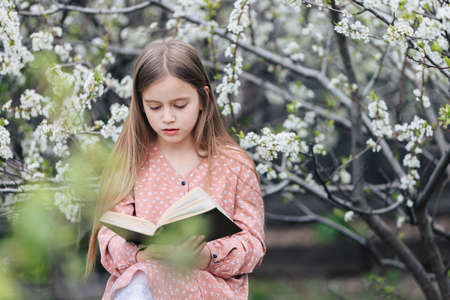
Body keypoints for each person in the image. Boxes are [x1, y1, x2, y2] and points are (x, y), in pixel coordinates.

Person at [85, 38, 266, 300]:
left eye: (180, 105)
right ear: (140, 103)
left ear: (203, 98)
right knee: (138, 284)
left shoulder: (234, 164)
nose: (168, 117)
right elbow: (109, 236)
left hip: (210, 290)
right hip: (146, 284)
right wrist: (142, 254)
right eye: (155, 107)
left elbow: (253, 244)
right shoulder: (131, 160)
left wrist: (208, 256)